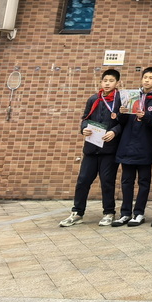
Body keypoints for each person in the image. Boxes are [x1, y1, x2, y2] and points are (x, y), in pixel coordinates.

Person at [60, 68, 125, 227]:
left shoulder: (121, 100)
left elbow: (125, 122)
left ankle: (109, 212)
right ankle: (77, 212)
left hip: (109, 149)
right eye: (105, 81)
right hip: (91, 147)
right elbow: (85, 119)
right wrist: (84, 129)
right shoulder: (94, 99)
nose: (107, 83)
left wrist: (114, 131)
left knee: (107, 181)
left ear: (117, 83)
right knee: (83, 180)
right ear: (101, 82)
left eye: (111, 81)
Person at [113, 66, 152, 227]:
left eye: (151, 78)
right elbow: (121, 122)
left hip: (146, 145)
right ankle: (125, 213)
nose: (147, 80)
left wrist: (146, 117)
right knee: (126, 181)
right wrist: (121, 113)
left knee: (144, 181)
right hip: (127, 144)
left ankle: (139, 213)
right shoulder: (130, 96)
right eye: (145, 77)